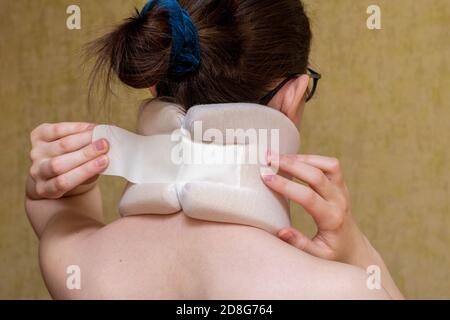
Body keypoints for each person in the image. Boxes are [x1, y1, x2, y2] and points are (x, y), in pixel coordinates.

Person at [25, 0, 403, 299]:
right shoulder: (341, 291)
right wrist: (356, 249)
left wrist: (61, 192)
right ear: (292, 96)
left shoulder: (80, 267)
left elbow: (58, 217)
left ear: (155, 86)